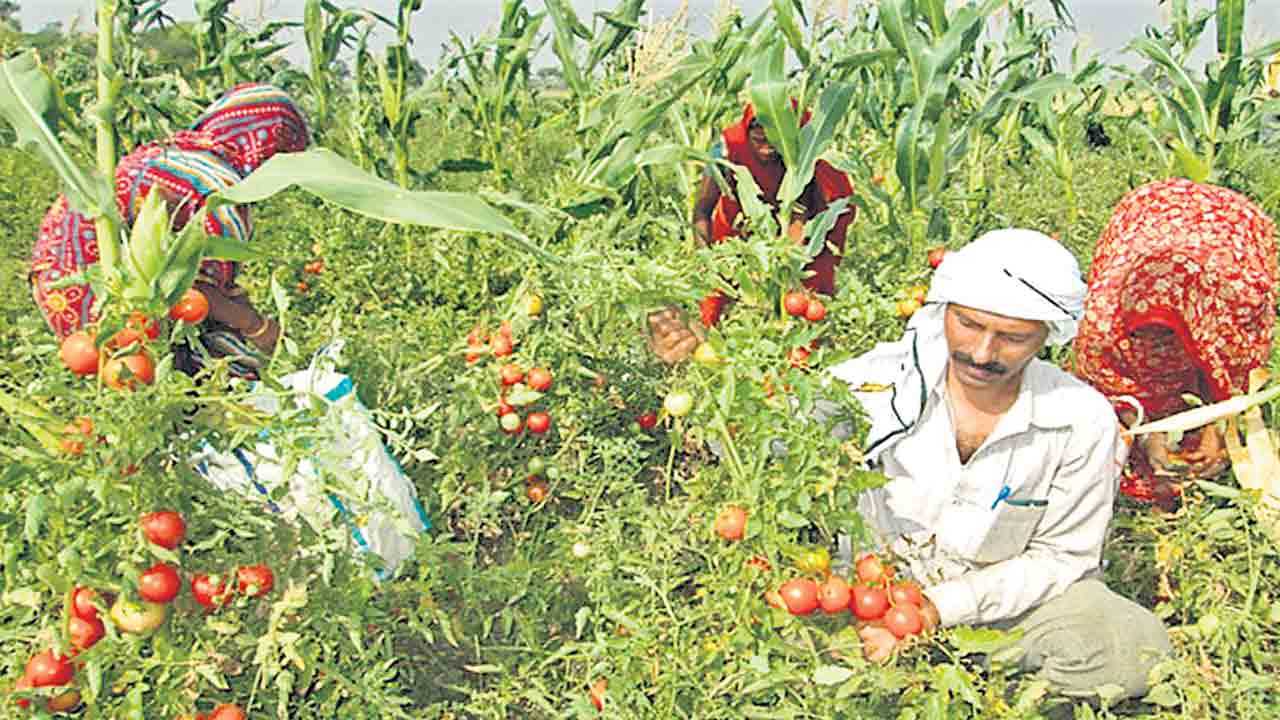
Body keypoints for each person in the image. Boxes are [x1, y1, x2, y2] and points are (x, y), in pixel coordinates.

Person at [827, 230, 1171, 700]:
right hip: (866, 600)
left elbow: (1063, 557)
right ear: (944, 310)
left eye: (1012, 338)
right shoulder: (874, 384)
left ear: (1048, 336)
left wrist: (940, 607)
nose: (983, 353)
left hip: (1002, 613)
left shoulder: (1080, 419)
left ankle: (998, 702)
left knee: (1130, 649)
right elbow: (763, 443)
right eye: (968, 325)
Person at [1072, 178, 1277, 507]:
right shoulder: (1102, 318)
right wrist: (1147, 433)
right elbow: (1106, 386)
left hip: (1227, 229)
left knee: (1214, 391)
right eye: (1146, 334)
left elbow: (1238, 374)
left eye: (1168, 336)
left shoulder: (1232, 303)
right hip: (1149, 213)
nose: (1158, 348)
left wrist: (1219, 430)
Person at [650, 104, 856, 362]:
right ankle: (709, 364)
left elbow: (801, 217)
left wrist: (782, 269)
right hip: (738, 227)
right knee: (713, 303)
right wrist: (707, 261)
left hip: (808, 232)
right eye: (758, 139)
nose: (767, 149)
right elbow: (702, 210)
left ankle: (800, 364)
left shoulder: (806, 151)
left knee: (806, 305)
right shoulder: (727, 148)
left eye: (775, 140)